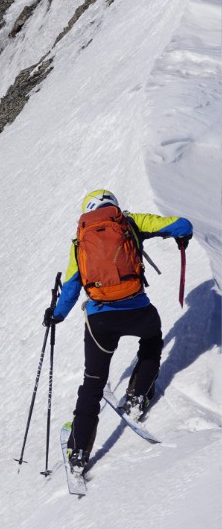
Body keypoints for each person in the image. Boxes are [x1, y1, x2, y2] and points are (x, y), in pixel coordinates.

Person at [43, 190, 192, 474]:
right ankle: (137, 396)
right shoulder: (129, 221)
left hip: (100, 321)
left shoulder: (81, 240)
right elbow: (181, 224)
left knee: (93, 382)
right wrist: (182, 235)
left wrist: (56, 315)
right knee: (151, 341)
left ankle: (78, 452)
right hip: (138, 311)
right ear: (113, 205)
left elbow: (73, 286)